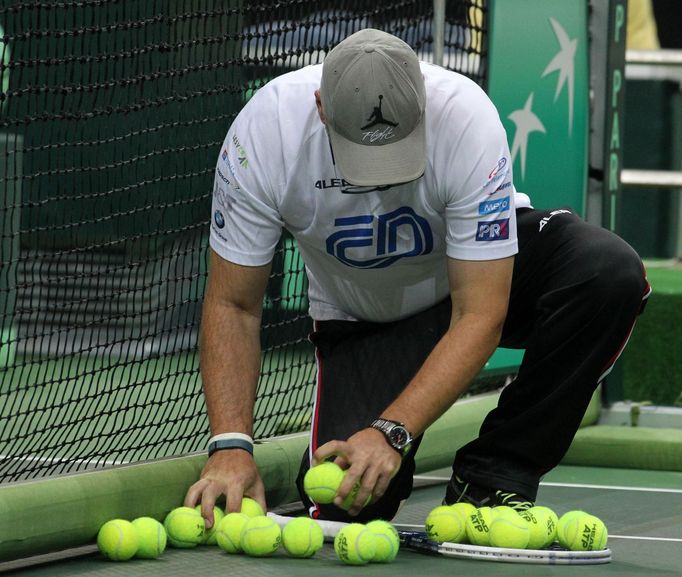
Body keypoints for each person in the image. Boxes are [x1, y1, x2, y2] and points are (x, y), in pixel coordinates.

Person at [184, 28, 650, 526]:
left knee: (607, 273)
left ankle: (493, 477)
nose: (383, 177)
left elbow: (480, 313)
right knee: (346, 502)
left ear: (423, 103)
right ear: (321, 107)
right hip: (367, 316)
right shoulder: (264, 136)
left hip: (471, 279)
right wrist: (231, 447)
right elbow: (234, 304)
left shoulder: (465, 116)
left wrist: (392, 431)